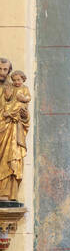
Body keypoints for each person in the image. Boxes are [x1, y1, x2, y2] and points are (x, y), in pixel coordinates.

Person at [0, 61, 29, 203]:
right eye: (0, 69)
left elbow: (24, 116)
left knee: (9, 159)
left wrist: (23, 114)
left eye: (5, 69)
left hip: (9, 129)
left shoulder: (15, 89)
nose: (2, 72)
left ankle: (6, 193)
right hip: (3, 124)